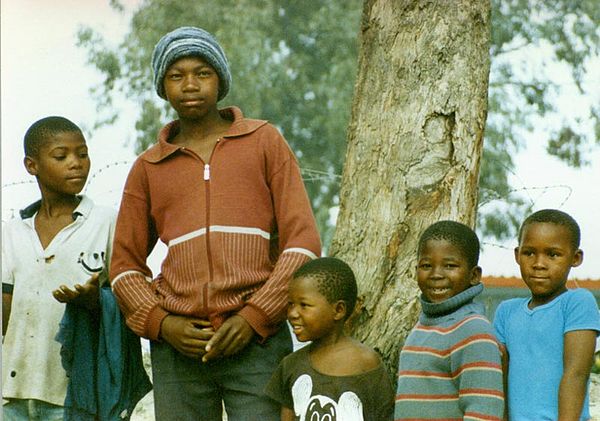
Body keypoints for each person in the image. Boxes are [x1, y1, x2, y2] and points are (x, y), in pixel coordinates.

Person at [109, 26, 321, 420]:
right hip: (179, 348)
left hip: (257, 341)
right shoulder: (148, 167)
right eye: (177, 75)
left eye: (203, 73)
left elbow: (302, 243)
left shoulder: (263, 141)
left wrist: (255, 316)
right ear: (162, 86)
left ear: (220, 80)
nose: (190, 84)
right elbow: (123, 266)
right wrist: (162, 323)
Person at [2, 116, 117, 419]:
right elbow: (6, 308)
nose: (76, 163)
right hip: (14, 392)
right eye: (61, 156)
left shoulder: (104, 222)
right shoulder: (14, 231)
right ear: (32, 165)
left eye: (82, 154)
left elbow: (127, 297)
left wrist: (96, 301)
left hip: (74, 392)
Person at [494, 209, 600, 421]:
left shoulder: (577, 302)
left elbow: (576, 374)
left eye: (553, 254)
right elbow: (499, 378)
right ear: (517, 255)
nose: (539, 264)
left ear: (575, 258)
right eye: (529, 253)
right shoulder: (506, 311)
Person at [395, 221, 504, 420]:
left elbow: (484, 410)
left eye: (450, 266)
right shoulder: (422, 328)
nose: (436, 274)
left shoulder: (473, 330)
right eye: (426, 265)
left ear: (474, 275)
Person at [266, 257, 394, 421]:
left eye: (304, 305)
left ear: (338, 310)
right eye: (291, 304)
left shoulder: (366, 363)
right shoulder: (291, 365)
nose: (292, 313)